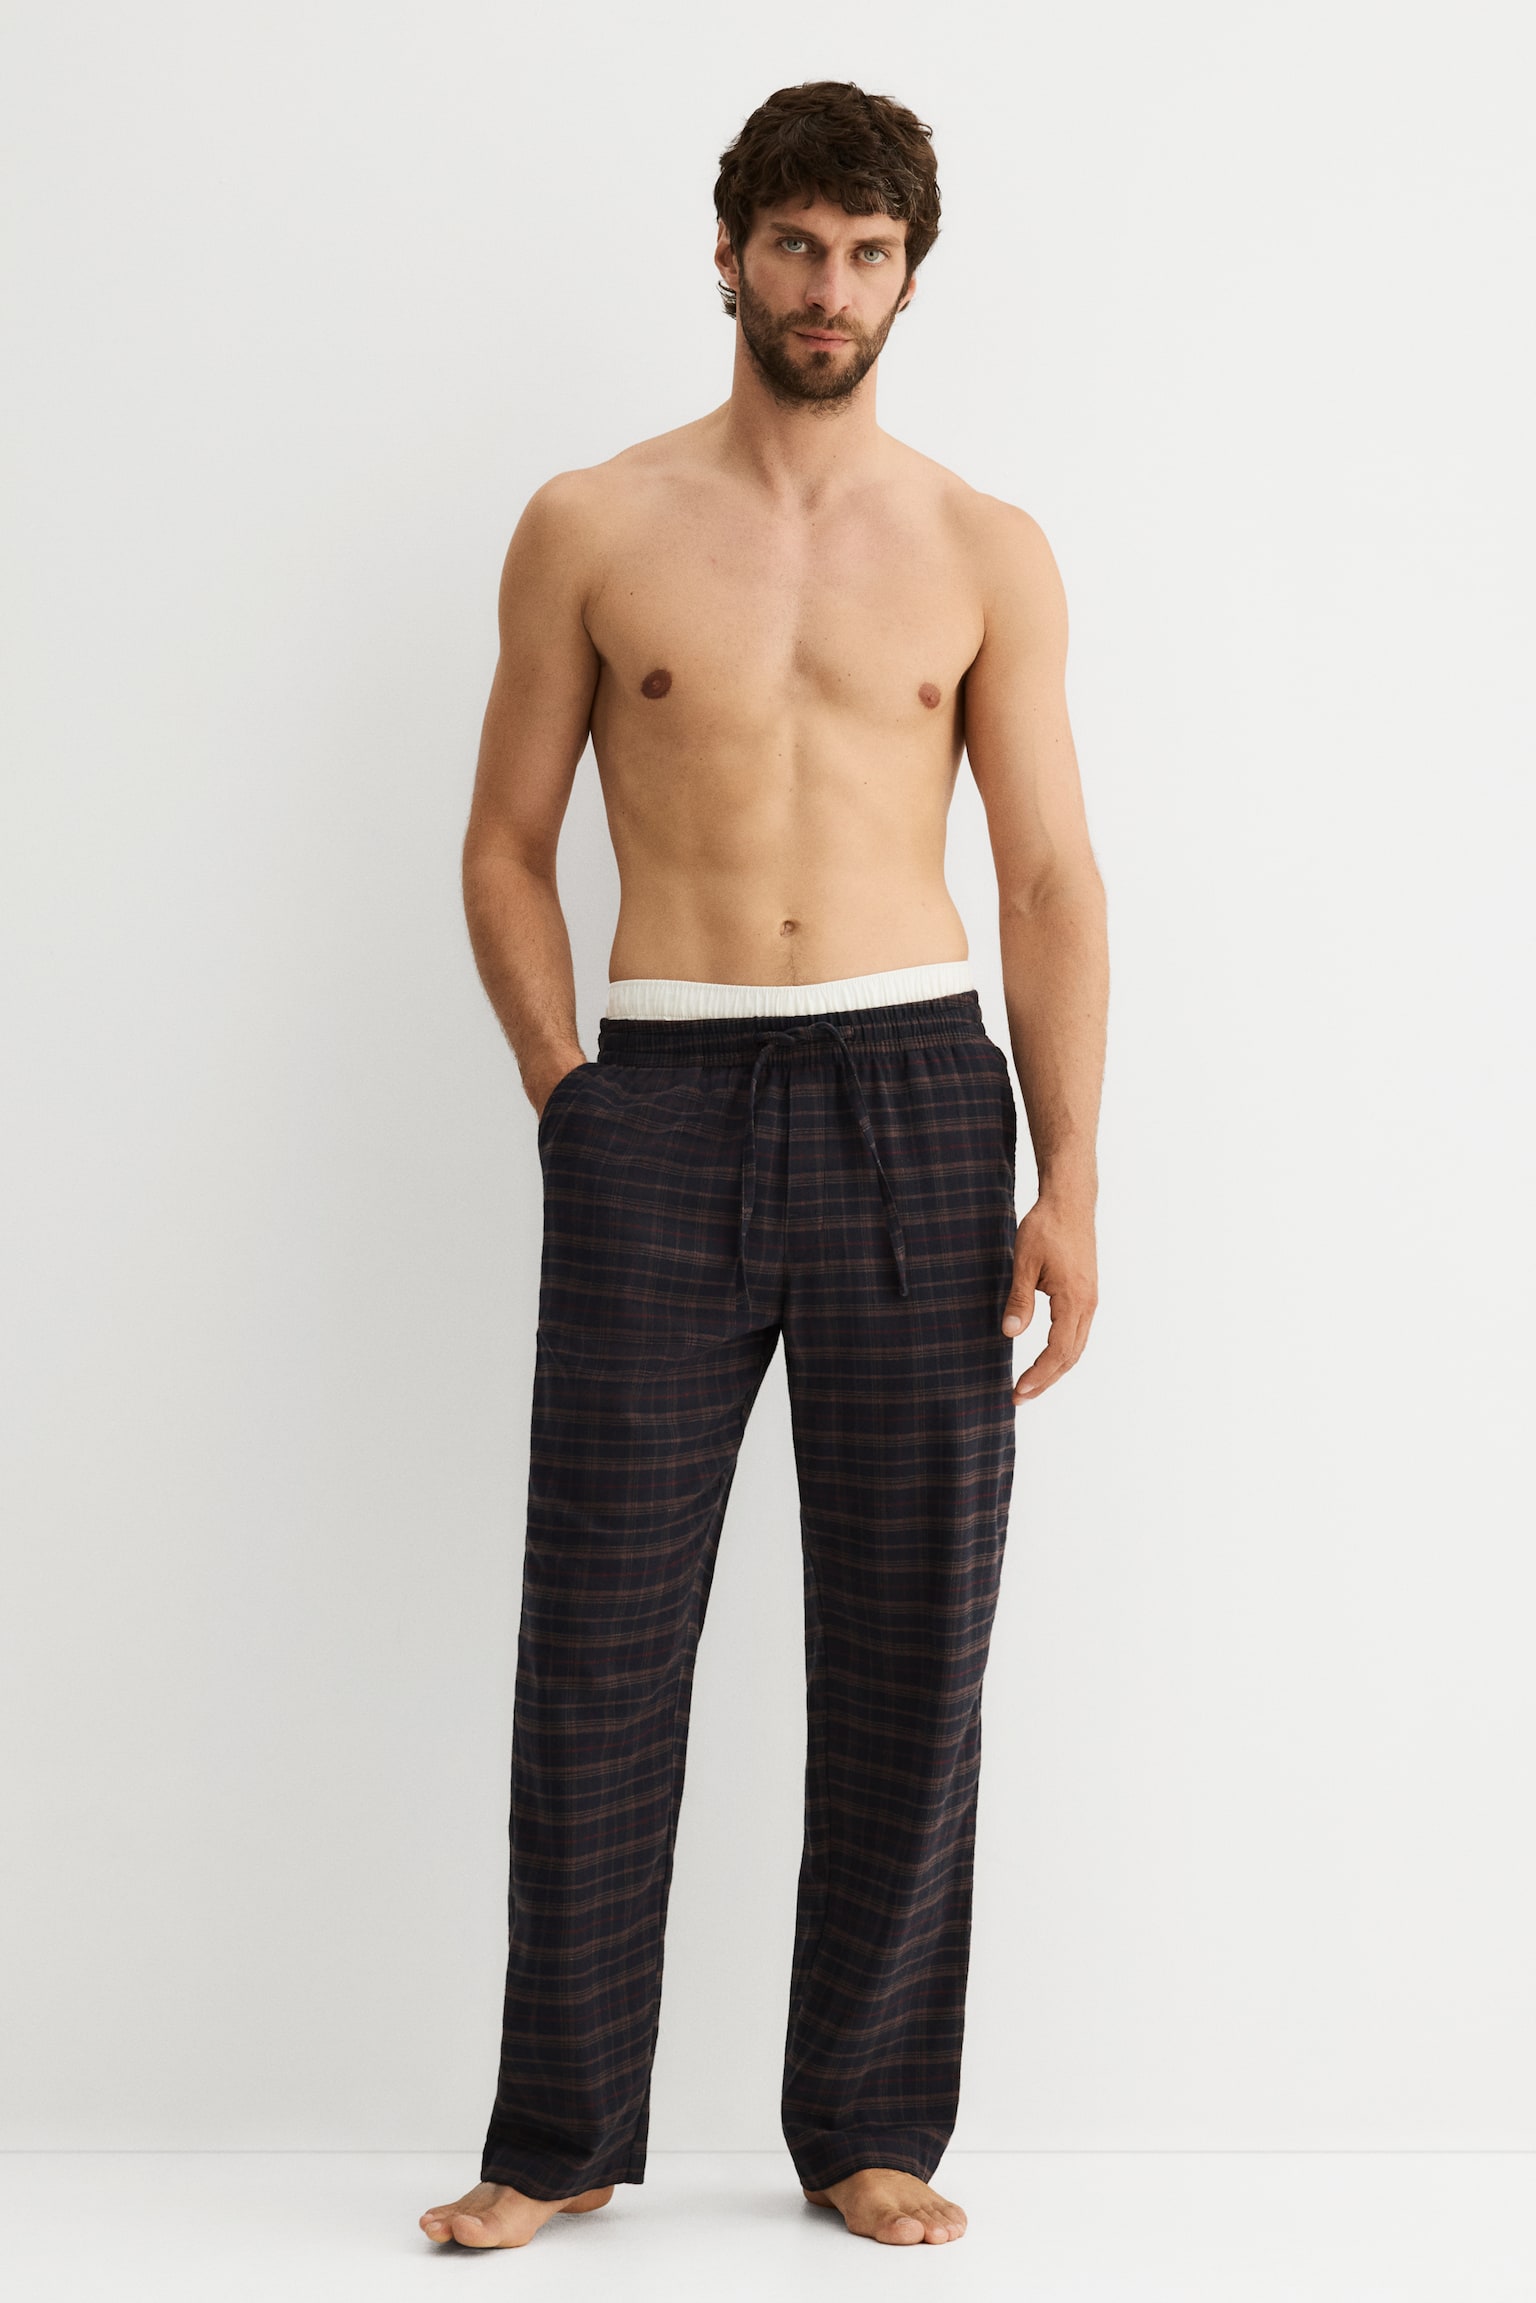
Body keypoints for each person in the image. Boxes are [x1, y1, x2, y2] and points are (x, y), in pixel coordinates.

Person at [420, 79, 1107, 2253]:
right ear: (728, 256)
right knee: (600, 1632)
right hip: (665, 1091)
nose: (829, 288)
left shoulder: (985, 547)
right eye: (796, 245)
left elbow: (1050, 878)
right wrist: (570, 1095)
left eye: (867, 254)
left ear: (910, 276)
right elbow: (505, 842)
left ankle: (870, 2125)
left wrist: (1072, 1176)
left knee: (914, 1632)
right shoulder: (590, 524)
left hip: (916, 1089)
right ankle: (557, 2134)